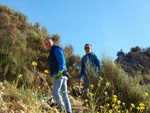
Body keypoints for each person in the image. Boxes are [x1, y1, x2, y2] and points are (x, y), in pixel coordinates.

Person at [44, 38, 72, 113]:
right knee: (64, 94)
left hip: (59, 73)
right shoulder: (52, 51)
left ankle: (62, 109)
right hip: (63, 75)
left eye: (49, 42)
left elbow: (62, 60)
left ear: (52, 42)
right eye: (46, 44)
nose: (48, 45)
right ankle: (69, 111)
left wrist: (60, 71)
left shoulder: (56, 49)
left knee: (55, 92)